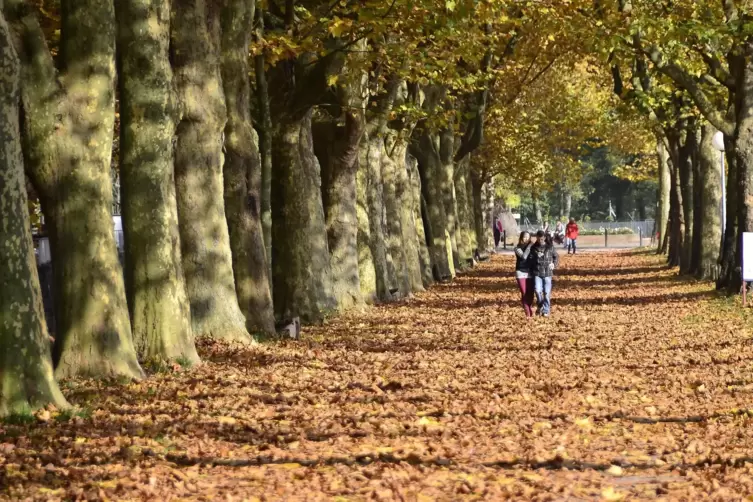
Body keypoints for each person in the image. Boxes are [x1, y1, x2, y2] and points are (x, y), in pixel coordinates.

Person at [532, 230, 559, 317]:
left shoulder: (550, 247)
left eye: (542, 238)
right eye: (539, 238)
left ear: (545, 238)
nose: (541, 239)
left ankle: (546, 309)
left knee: (547, 293)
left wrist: (554, 264)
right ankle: (540, 305)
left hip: (547, 273)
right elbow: (529, 259)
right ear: (537, 238)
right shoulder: (533, 248)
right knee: (537, 290)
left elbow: (556, 256)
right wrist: (536, 256)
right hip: (537, 272)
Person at [514, 231, 535, 317]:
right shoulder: (517, 248)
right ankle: (527, 311)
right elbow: (524, 257)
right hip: (520, 272)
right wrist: (529, 246)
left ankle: (529, 306)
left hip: (530, 272)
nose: (526, 238)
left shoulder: (533, 247)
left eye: (528, 237)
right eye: (524, 237)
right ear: (521, 238)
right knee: (524, 292)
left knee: (531, 293)